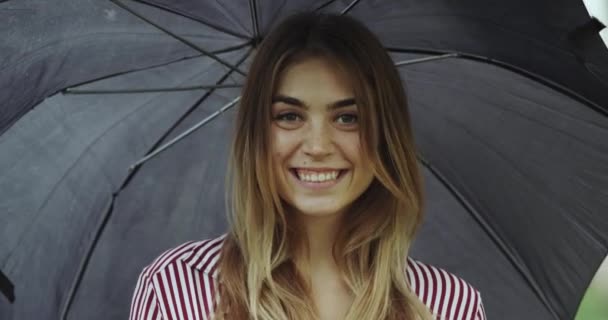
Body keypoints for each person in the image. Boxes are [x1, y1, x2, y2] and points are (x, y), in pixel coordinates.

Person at [129, 11, 487, 320]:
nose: (317, 146)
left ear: (385, 136)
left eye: (348, 118)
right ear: (256, 134)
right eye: (289, 116)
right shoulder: (178, 289)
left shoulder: (446, 305)